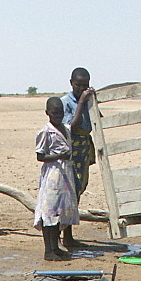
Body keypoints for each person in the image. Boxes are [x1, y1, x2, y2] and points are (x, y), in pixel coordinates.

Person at [34, 96, 79, 262]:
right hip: (52, 176)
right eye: (54, 113)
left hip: (64, 176)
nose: (57, 116)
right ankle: (48, 250)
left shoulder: (65, 129)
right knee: (49, 213)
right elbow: (40, 156)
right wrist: (59, 155)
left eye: (60, 113)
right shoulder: (45, 132)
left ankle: (55, 247)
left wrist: (81, 101)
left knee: (58, 213)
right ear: (47, 113)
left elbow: (73, 122)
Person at [61, 67, 96, 250]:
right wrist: (81, 102)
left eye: (85, 85)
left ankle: (68, 235)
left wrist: (92, 103)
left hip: (83, 150)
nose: (82, 88)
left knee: (78, 190)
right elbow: (71, 127)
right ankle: (65, 235)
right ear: (71, 83)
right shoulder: (66, 102)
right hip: (70, 150)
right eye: (78, 85)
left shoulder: (89, 101)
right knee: (69, 192)